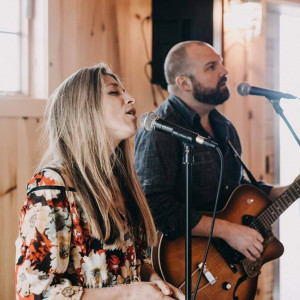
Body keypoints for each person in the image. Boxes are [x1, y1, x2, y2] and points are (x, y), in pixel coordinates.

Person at [15, 63, 184, 300]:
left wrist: (153, 282)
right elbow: (34, 293)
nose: (131, 98)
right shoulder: (52, 186)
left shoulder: (122, 184)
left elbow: (128, 261)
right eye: (115, 92)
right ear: (84, 109)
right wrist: (129, 294)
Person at [134, 41, 298, 262]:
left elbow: (234, 190)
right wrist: (228, 231)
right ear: (184, 83)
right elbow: (154, 206)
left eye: (220, 63)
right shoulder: (161, 130)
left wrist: (288, 190)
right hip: (186, 263)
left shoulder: (224, 126)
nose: (225, 71)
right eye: (211, 67)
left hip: (225, 266)